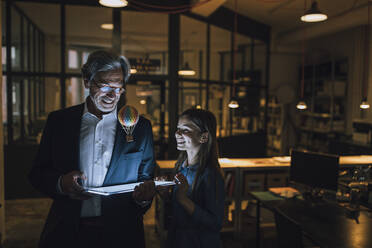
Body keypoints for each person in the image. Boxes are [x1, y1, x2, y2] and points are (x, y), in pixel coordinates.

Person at [29, 50, 156, 248]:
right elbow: (37, 173)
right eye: (105, 85)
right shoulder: (59, 122)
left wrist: (144, 197)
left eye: (118, 87)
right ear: (87, 81)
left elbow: (146, 178)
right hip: (68, 232)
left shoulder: (141, 128)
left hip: (123, 234)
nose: (112, 95)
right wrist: (61, 183)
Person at [165, 108, 225, 248]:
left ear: (203, 137)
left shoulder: (210, 174)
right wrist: (166, 195)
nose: (177, 134)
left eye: (185, 130)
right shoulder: (180, 165)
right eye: (178, 128)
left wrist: (183, 199)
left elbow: (215, 224)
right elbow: (179, 208)